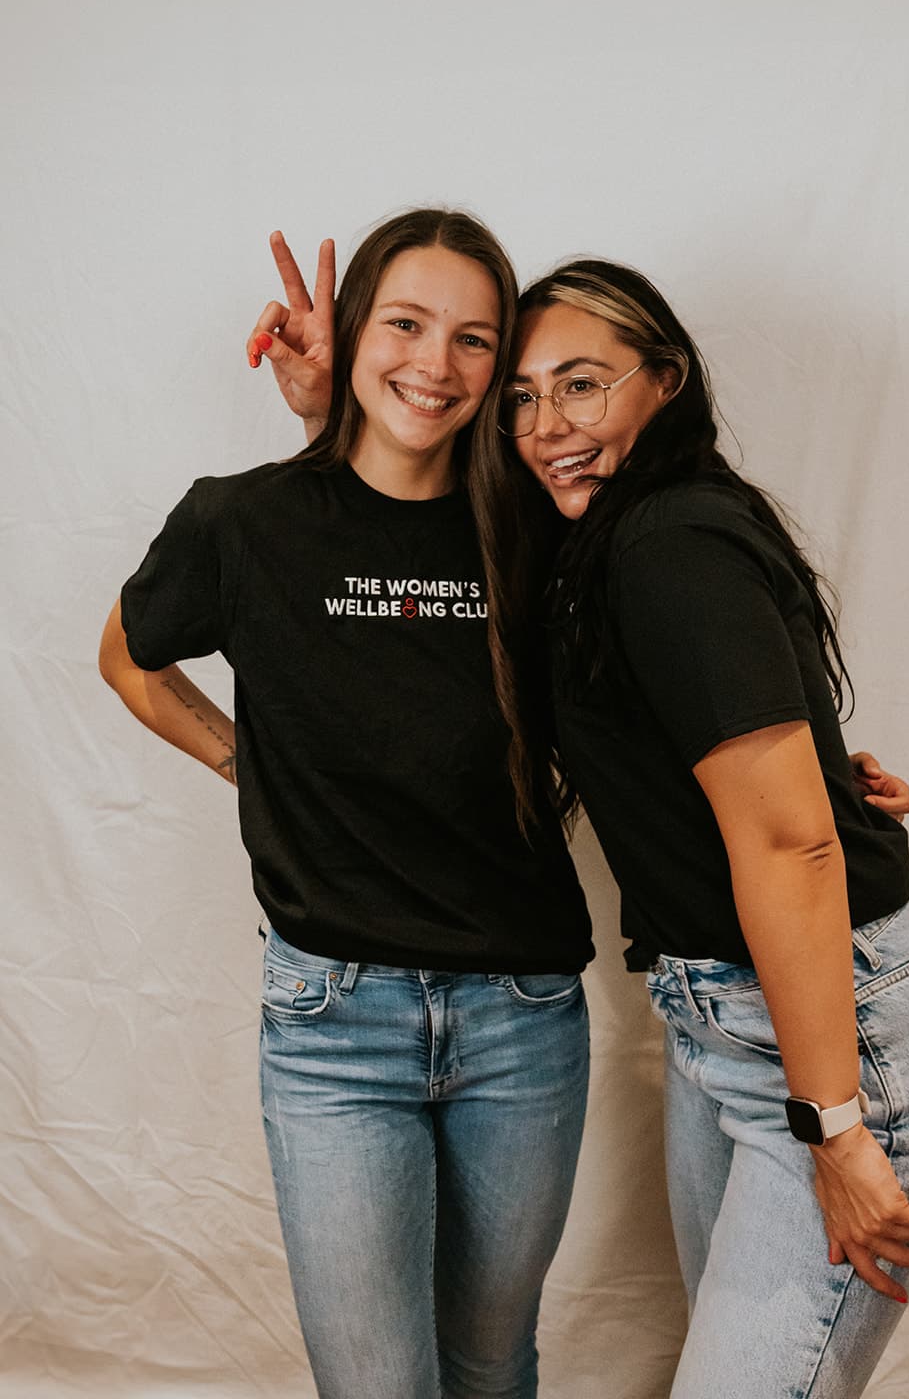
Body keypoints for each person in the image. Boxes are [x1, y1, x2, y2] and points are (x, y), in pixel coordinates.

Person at [98, 209, 596, 1399]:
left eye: (476, 340)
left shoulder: (533, 526)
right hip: (334, 1025)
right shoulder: (244, 521)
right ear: (356, 325)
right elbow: (129, 658)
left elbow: (654, 684)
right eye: (406, 323)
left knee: (489, 1362)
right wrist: (244, 762)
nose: (436, 363)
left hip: (523, 1017)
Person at [478, 258, 909, 1399]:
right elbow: (714, 754)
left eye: (581, 385)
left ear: (663, 382)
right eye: (522, 396)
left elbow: (792, 846)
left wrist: (838, 1127)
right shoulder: (603, 542)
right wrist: (820, 773)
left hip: (840, 1046)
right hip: (731, 1030)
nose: (545, 424)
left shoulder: (667, 541)